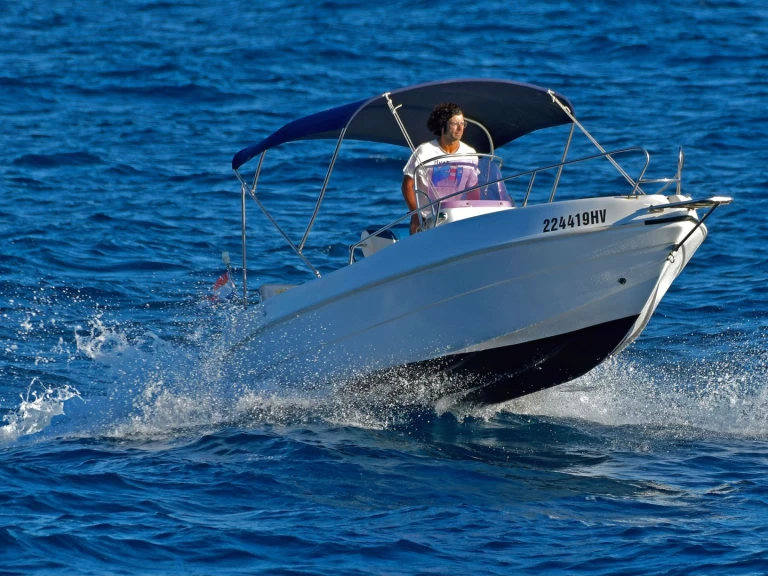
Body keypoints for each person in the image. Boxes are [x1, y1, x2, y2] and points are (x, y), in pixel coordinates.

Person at [401, 102, 478, 234]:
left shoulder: (470, 153)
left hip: (457, 217)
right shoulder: (424, 151)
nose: (460, 128)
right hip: (427, 220)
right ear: (443, 126)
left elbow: (473, 189)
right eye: (454, 124)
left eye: (462, 123)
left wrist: (474, 215)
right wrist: (416, 217)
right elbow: (407, 185)